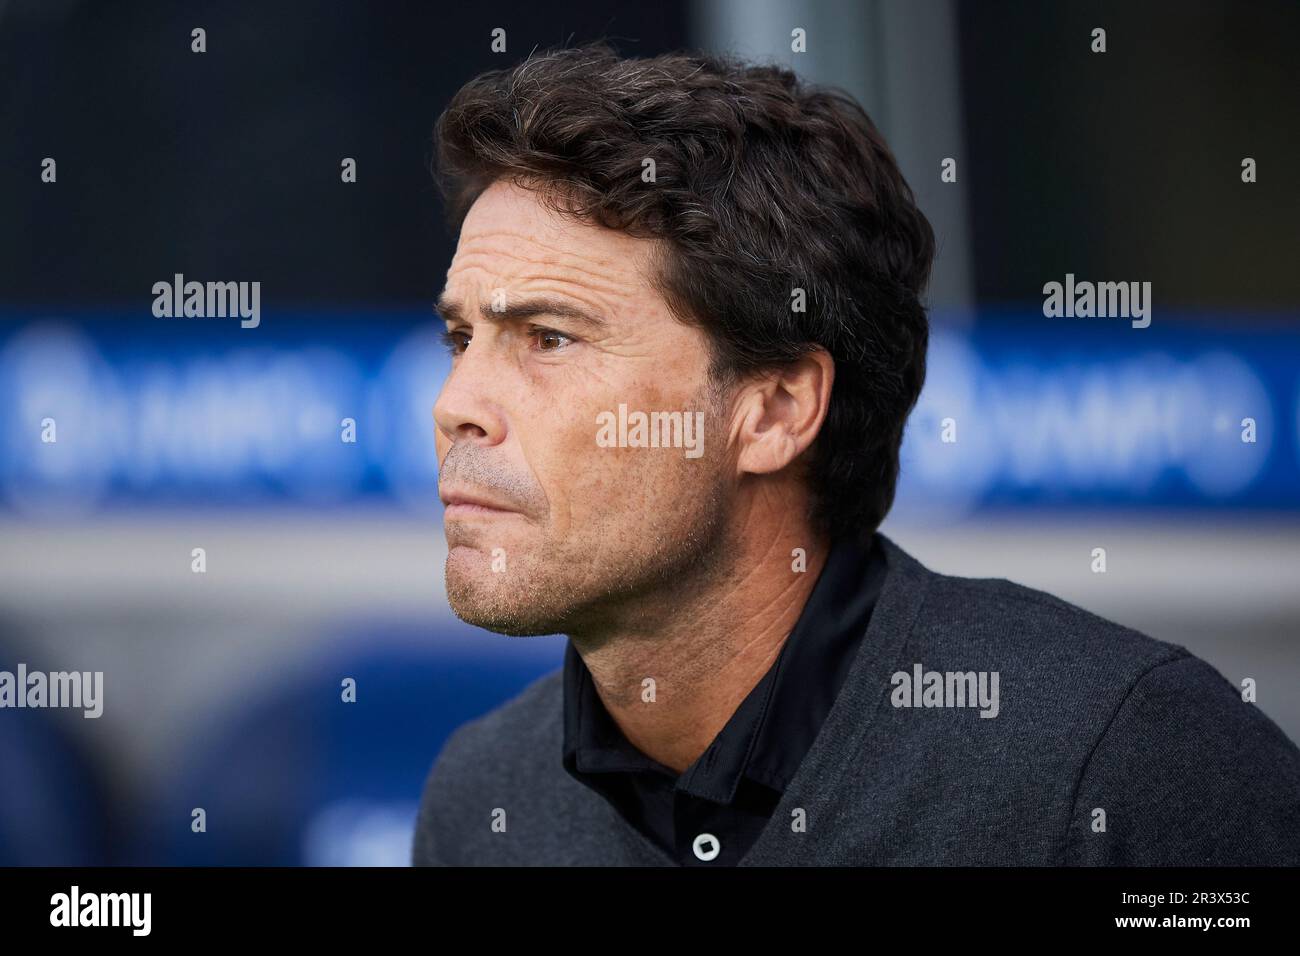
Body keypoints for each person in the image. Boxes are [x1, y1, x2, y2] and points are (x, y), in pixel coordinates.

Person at [412, 42, 1300, 866]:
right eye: (461, 339)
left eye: (550, 339)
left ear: (776, 410)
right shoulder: (484, 798)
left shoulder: (1123, 763)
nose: (456, 407)